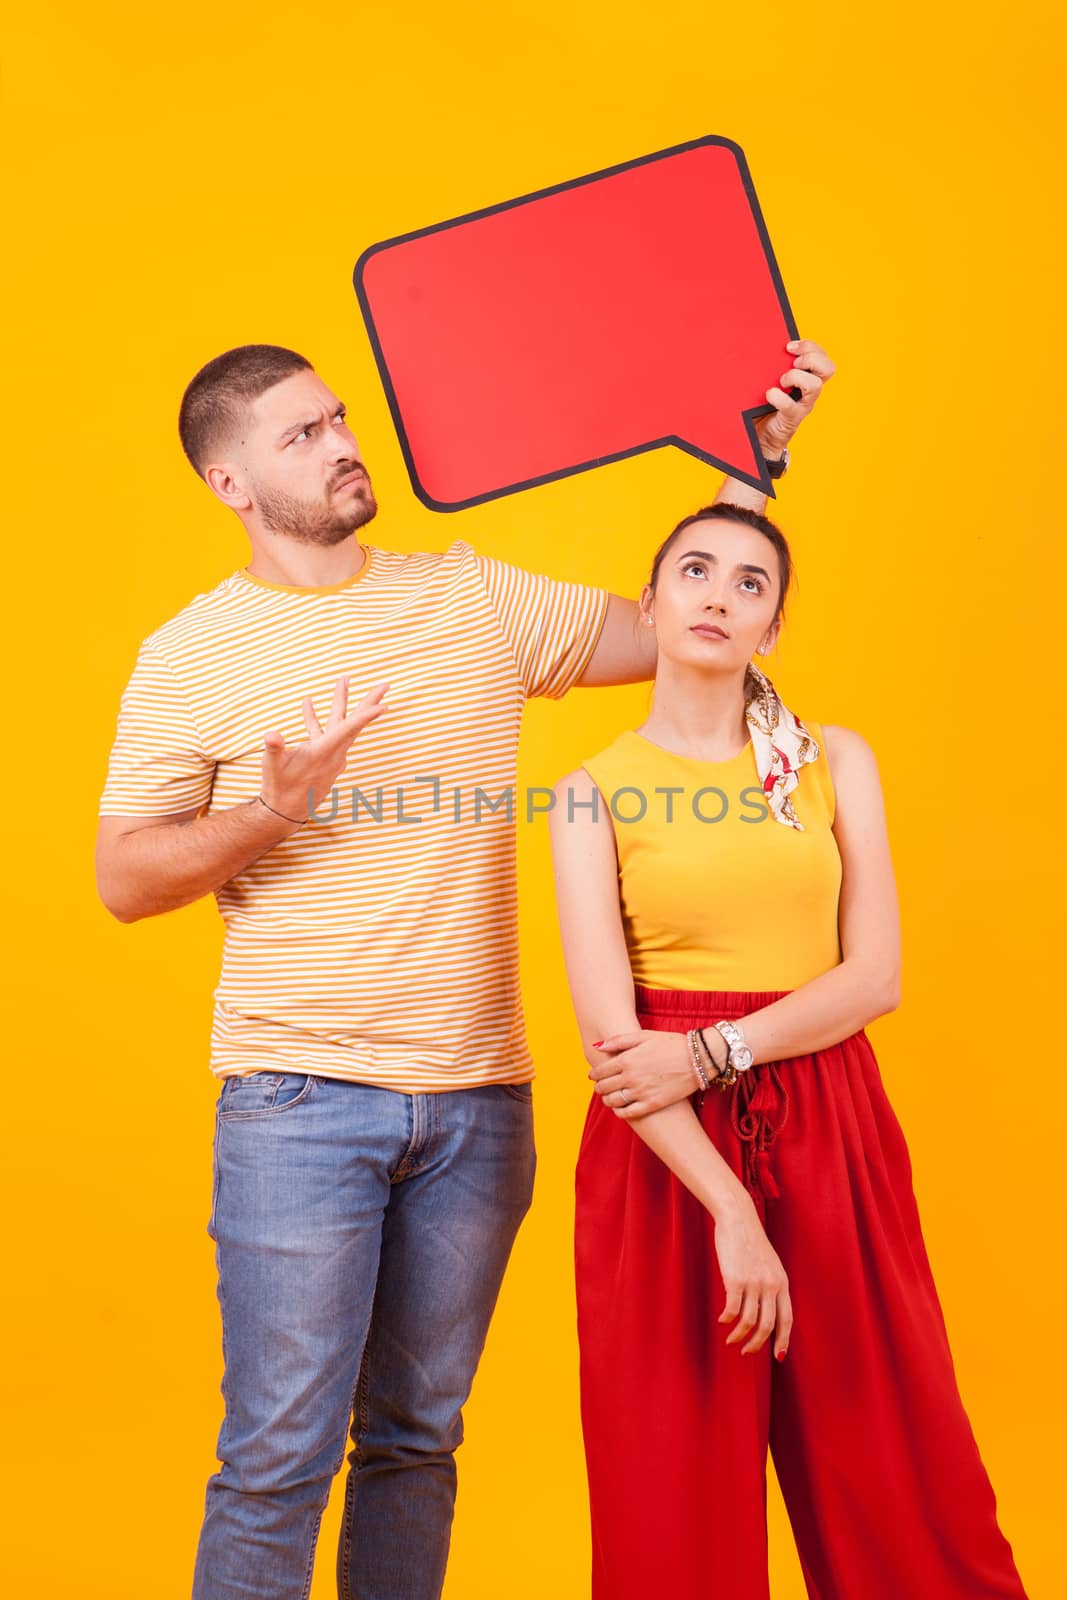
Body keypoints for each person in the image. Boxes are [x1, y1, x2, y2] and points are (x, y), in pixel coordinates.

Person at [94, 337, 830, 1600]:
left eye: (337, 419)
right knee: (276, 1456)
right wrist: (273, 810)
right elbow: (124, 881)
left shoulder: (470, 599)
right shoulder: (188, 653)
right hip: (296, 1102)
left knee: (417, 1441)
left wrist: (751, 476)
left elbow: (684, 628)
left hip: (479, 1105)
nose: (341, 444)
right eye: (300, 436)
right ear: (230, 483)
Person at [548, 502, 1031, 1599]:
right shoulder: (585, 794)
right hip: (663, 1159)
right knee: (665, 1489)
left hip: (828, 1122)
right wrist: (728, 1208)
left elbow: (872, 978)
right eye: (695, 571)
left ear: (769, 628)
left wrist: (713, 1047)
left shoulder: (831, 761)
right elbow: (615, 1045)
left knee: (891, 1455)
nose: (718, 593)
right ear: (651, 603)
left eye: (750, 583)